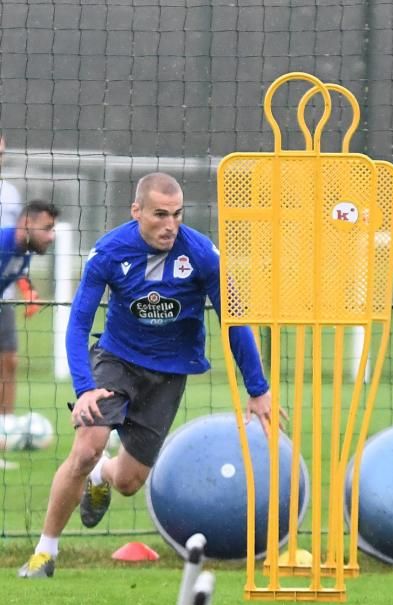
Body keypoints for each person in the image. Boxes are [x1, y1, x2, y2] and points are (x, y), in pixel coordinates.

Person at [18, 172, 274, 579]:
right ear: (136, 211)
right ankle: (44, 553)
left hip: (169, 375)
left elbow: (235, 322)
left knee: (129, 482)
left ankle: (104, 474)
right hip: (116, 361)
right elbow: (79, 323)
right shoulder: (109, 251)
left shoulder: (203, 255)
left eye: (176, 214)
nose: (169, 225)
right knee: (87, 447)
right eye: (159, 215)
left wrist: (259, 389)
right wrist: (85, 389)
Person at [0, 200, 60, 419]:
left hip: (2, 303)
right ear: (26, 223)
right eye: (46, 228)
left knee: (10, 361)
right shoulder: (2, 241)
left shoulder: (25, 248)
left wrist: (30, 292)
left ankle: (5, 424)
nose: (51, 236)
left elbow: (16, 271)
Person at [0, 135, 23, 418]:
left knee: (9, 361)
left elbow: (20, 243)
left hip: (3, 293)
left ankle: (5, 427)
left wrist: (23, 281)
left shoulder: (11, 194)